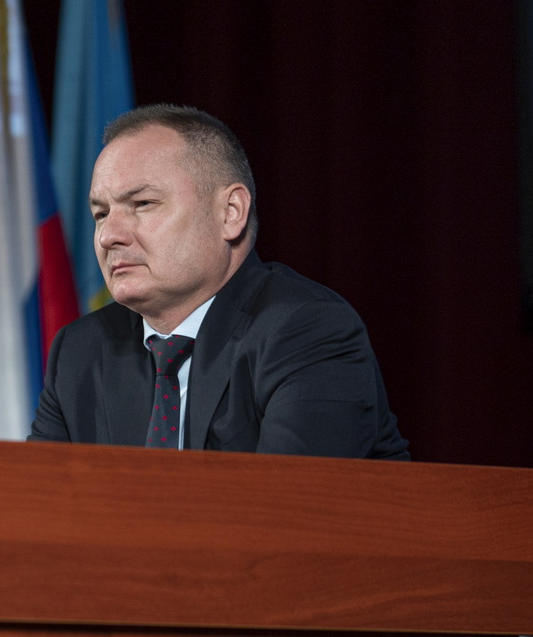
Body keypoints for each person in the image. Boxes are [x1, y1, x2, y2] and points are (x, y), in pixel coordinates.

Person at [30, 104, 409, 459]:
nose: (108, 235)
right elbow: (30, 509)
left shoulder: (308, 331)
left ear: (231, 213)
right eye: (100, 213)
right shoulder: (79, 351)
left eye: (142, 204)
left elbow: (289, 513)